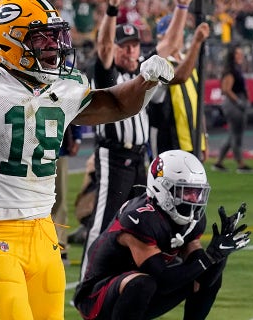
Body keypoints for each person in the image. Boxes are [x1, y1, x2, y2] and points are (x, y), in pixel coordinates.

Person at [0, 0, 174, 318]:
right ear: (7, 42)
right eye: (41, 37)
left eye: (56, 36)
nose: (54, 45)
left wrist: (146, 83)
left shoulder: (65, 86)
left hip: (44, 231)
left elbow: (119, 105)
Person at [73, 149, 251, 320]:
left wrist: (220, 255)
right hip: (96, 298)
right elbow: (164, 281)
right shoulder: (140, 217)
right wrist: (208, 258)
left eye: (197, 193)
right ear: (162, 188)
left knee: (208, 272)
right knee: (143, 284)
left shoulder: (192, 220)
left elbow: (205, 280)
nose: (194, 200)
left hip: (138, 292)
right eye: (186, 192)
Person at [80, 0, 182, 281]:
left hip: (140, 157)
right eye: (123, 45)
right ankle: (87, 284)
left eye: (134, 45)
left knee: (137, 221)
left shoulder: (143, 73)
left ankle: (119, 276)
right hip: (113, 156)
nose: (130, 50)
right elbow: (102, 48)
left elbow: (169, 46)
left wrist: (182, 9)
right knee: (102, 221)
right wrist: (112, 12)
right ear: (115, 47)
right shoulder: (108, 74)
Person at [148, 4, 211, 161]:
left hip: (193, 140)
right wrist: (196, 44)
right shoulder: (157, 63)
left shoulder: (188, 62)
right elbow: (179, 76)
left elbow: (198, 105)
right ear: (162, 38)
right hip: (169, 142)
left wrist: (204, 138)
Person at [213, 45, 253, 174]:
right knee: (236, 135)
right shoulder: (231, 70)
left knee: (232, 134)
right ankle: (240, 164)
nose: (240, 55)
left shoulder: (234, 69)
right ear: (232, 56)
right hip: (233, 104)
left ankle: (219, 162)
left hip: (235, 102)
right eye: (237, 53)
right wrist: (239, 101)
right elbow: (226, 89)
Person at [51, 124, 82, 265]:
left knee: (59, 199)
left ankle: (60, 246)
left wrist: (77, 137)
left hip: (57, 148)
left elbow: (72, 104)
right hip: (28, 150)